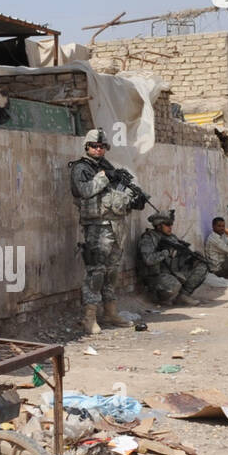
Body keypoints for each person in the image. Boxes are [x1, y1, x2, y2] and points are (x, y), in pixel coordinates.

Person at [69, 128, 144, 334]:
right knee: (96, 272)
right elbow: (84, 191)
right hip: (97, 226)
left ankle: (110, 312)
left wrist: (133, 198)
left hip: (116, 226)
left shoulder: (107, 167)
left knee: (112, 271)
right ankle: (89, 317)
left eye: (102, 146)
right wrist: (105, 176)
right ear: (87, 147)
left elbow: (117, 194)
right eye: (94, 146)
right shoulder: (81, 168)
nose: (98, 149)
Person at [137, 209, 208, 304]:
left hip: (173, 272)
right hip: (156, 276)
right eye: (167, 224)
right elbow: (148, 260)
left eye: (171, 224)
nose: (170, 227)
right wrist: (166, 253)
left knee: (202, 266)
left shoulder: (172, 237)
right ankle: (160, 299)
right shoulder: (149, 238)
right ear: (158, 225)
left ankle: (183, 296)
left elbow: (180, 254)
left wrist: (192, 258)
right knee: (174, 285)